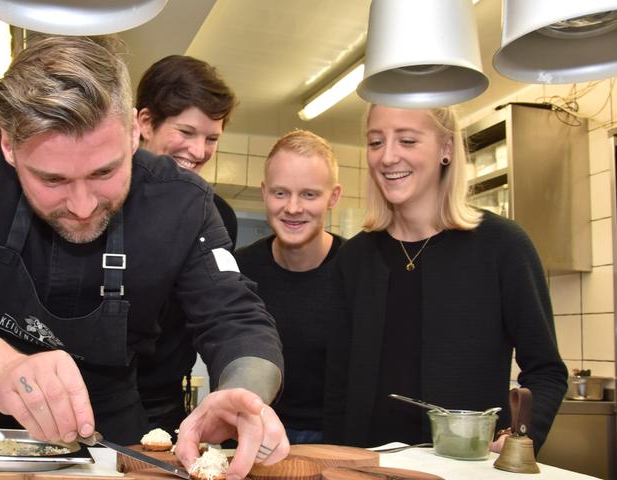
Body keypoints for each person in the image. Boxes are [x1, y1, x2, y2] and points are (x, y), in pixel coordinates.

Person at [0, 36, 288, 478]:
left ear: (133, 131)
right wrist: (3, 368)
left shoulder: (183, 201)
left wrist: (243, 393)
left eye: (104, 172)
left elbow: (238, 320)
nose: (83, 205)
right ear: (9, 148)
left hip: (113, 436)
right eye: (52, 179)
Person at [322, 105, 567, 453]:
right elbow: (338, 386)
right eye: (376, 142)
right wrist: (334, 461)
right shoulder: (354, 258)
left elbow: (547, 371)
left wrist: (518, 436)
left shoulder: (502, 245)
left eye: (407, 140)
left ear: (447, 149)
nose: (388, 157)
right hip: (366, 468)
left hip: (464, 468)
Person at [134, 55, 238, 436]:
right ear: (145, 123)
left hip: (162, 405)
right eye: (186, 132)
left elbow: (219, 313)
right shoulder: (100, 199)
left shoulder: (216, 216)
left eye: (211, 138)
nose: (199, 151)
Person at [235, 130, 344, 445]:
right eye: (280, 193)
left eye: (309, 194)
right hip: (249, 433)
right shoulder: (241, 269)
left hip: (335, 440)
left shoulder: (358, 269)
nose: (293, 208)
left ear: (333, 196)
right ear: (264, 192)